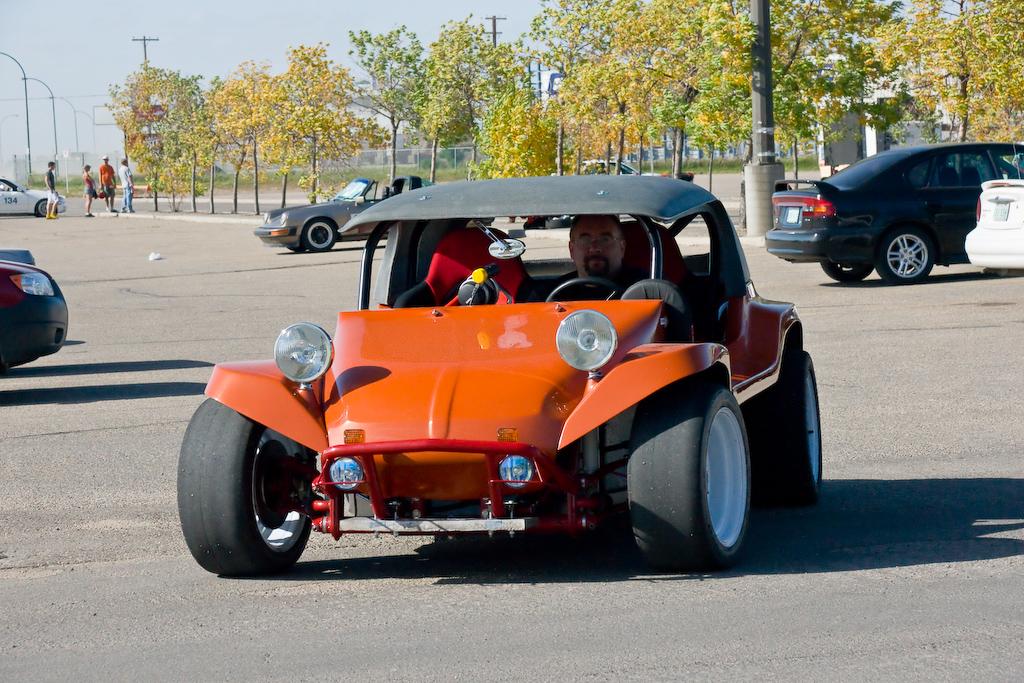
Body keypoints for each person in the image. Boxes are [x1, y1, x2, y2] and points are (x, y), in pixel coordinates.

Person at [567, 214, 645, 287]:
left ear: (622, 248)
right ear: (571, 250)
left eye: (605, 239)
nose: (594, 248)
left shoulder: (645, 288)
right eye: (585, 240)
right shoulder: (557, 294)